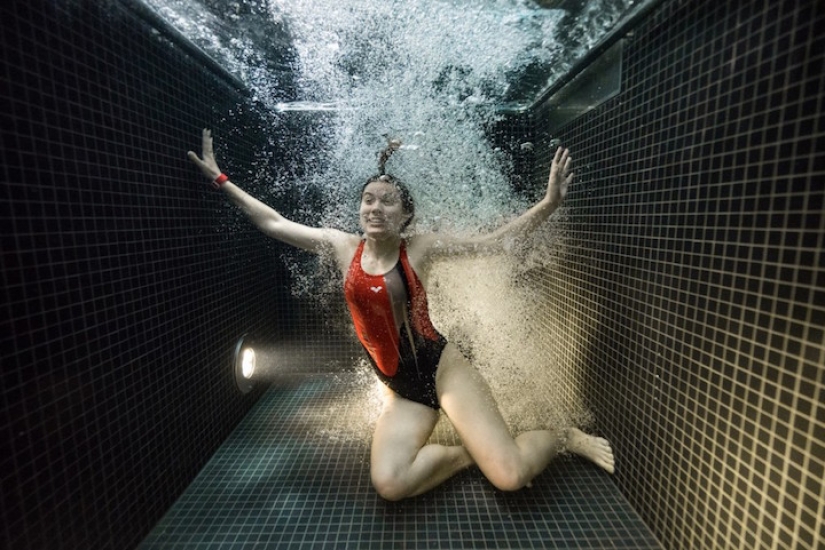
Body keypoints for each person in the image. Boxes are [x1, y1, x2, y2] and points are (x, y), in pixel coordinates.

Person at [188, 129, 614, 500]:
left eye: (387, 202)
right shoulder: (342, 247)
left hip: (444, 372)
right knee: (390, 483)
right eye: (368, 200)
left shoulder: (421, 249)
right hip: (401, 388)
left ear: (405, 214)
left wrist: (548, 204)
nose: (375, 208)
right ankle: (472, 453)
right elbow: (274, 223)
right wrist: (222, 179)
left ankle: (563, 437)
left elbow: (494, 243)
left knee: (511, 476)